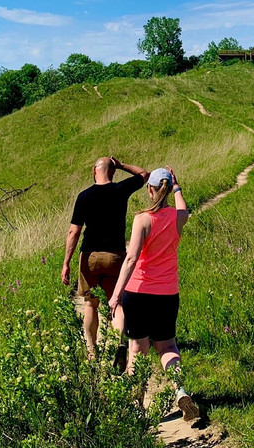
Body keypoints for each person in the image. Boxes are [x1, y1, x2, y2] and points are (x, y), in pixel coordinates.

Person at [109, 166, 199, 422]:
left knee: (137, 350)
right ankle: (180, 390)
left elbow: (130, 259)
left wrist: (116, 296)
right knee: (168, 346)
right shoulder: (178, 217)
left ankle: (137, 407)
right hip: (168, 293)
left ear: (149, 189)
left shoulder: (143, 219)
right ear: (169, 189)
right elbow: (183, 207)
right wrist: (178, 185)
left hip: (138, 293)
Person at [62, 156, 149, 359]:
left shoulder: (84, 196)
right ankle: (120, 341)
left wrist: (66, 263)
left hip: (90, 257)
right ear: (113, 172)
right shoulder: (120, 190)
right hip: (116, 257)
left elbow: (73, 233)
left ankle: (92, 352)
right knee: (116, 302)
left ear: (94, 171)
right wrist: (122, 165)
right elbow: (144, 174)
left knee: (91, 304)